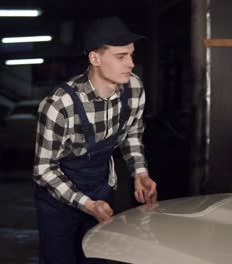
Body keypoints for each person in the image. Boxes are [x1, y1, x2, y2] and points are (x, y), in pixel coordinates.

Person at [33, 16, 157, 264]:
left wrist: (140, 173)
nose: (131, 64)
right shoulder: (59, 105)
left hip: (101, 190)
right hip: (58, 202)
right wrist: (85, 204)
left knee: (99, 257)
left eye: (132, 55)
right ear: (95, 59)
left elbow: (132, 133)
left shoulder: (134, 88)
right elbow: (43, 169)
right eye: (121, 57)